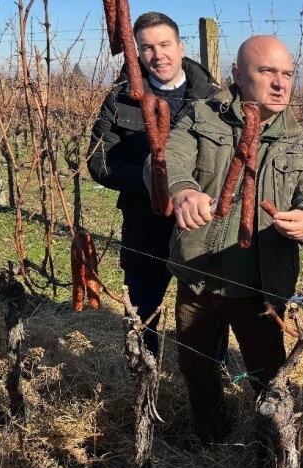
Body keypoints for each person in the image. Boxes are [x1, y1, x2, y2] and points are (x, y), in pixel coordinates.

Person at [146, 35, 303, 445]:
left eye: (287, 74)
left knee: (268, 381)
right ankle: (210, 434)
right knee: (196, 368)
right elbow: (165, 160)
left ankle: (273, 454)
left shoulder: (301, 143)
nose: (280, 83)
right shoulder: (201, 117)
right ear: (237, 75)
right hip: (197, 278)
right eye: (266, 72)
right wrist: (182, 191)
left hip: (258, 292)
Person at [87, 12, 221, 354]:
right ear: (137, 53)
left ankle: (211, 378)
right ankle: (143, 378)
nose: (157, 54)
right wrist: (154, 183)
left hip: (201, 224)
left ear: (180, 46)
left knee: (208, 313)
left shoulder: (215, 100)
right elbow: (100, 163)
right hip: (143, 222)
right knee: (142, 314)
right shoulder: (119, 100)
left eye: (164, 44)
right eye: (147, 47)